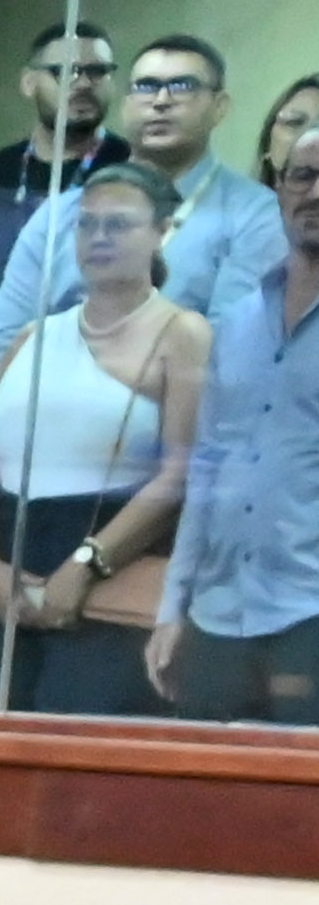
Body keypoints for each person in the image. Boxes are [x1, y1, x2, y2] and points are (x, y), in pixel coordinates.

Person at [0, 163, 202, 718]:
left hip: (111, 572)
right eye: (87, 224)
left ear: (162, 232)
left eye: (119, 224)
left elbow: (179, 474)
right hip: (7, 575)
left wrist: (88, 563)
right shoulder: (33, 336)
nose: (99, 237)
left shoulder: (182, 333)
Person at [0, 34, 266, 404]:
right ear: (126, 103)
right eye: (146, 86)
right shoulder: (62, 212)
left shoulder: (254, 214)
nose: (161, 101)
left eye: (182, 86)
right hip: (41, 426)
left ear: (219, 106)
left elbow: (229, 357)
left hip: (171, 428)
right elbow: (4, 341)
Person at [152, 128, 319, 728]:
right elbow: (206, 469)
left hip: (310, 617)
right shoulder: (239, 322)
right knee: (200, 785)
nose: (315, 193)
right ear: (279, 189)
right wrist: (173, 607)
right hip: (217, 618)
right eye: (303, 176)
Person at [0, 18, 122, 469]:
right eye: (64, 71)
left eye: (96, 71)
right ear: (29, 82)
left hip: (94, 400)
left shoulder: (130, 171)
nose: (82, 83)